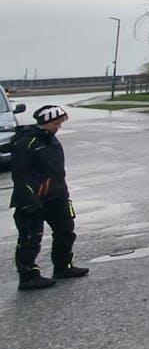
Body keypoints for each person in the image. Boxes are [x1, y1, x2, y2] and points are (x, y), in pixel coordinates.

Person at [11, 105, 89, 291]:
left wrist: (63, 193)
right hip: (32, 199)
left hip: (57, 196)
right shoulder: (26, 142)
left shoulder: (52, 140)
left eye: (59, 123)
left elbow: (57, 172)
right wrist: (29, 199)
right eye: (55, 123)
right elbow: (20, 174)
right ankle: (28, 276)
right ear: (44, 123)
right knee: (31, 238)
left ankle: (63, 266)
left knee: (66, 230)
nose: (58, 127)